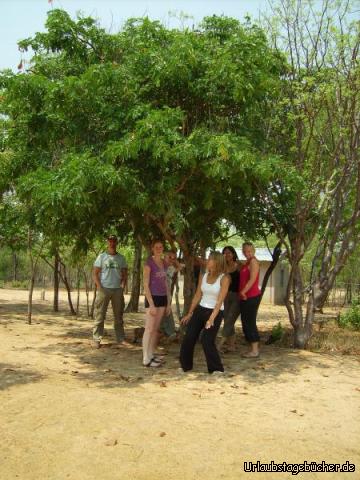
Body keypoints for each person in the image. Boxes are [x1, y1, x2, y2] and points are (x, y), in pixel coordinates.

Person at [179, 251, 230, 374]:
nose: (207, 261)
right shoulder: (204, 275)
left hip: (215, 312)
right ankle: (185, 366)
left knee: (207, 340)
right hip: (200, 309)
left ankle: (216, 369)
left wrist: (212, 318)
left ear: (217, 262)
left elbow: (219, 301)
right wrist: (189, 313)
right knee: (189, 337)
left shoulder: (224, 278)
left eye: (210, 259)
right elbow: (197, 295)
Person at [92, 235, 128, 348]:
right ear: (107, 242)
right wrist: (99, 286)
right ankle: (97, 338)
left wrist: (122, 285)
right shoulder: (102, 257)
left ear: (117, 242)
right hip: (104, 289)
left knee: (118, 316)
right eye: (110, 241)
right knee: (100, 315)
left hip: (117, 290)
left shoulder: (121, 258)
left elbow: (125, 273)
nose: (112, 243)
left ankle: (120, 338)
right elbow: (95, 273)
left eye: (114, 241)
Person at [142, 239, 171, 367]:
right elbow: (145, 285)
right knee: (148, 328)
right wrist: (151, 304)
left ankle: (151, 355)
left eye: (161, 247)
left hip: (163, 298)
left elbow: (165, 283)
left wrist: (169, 303)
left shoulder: (164, 263)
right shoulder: (149, 263)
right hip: (152, 298)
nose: (159, 249)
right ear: (152, 248)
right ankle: (145, 358)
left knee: (155, 329)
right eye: (157, 247)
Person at [239, 242, 261, 358]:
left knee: (249, 322)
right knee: (246, 322)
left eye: (249, 251)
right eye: (244, 251)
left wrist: (243, 291)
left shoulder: (253, 261)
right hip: (245, 297)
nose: (246, 253)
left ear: (253, 250)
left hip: (251, 296)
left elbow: (252, 279)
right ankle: (252, 349)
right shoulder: (247, 262)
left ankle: (255, 350)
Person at [220, 246, 241, 353]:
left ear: (233, 253)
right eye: (225, 253)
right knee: (228, 319)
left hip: (237, 296)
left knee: (229, 319)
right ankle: (231, 346)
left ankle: (220, 344)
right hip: (225, 296)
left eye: (229, 253)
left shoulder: (239, 265)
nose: (227, 255)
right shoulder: (222, 267)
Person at [159, 250, 181, 341]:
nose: (171, 259)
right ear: (164, 257)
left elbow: (179, 267)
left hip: (167, 294)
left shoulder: (171, 268)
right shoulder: (158, 266)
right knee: (163, 313)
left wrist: (174, 259)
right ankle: (169, 332)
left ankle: (168, 333)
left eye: (173, 258)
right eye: (169, 257)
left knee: (166, 312)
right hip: (158, 294)